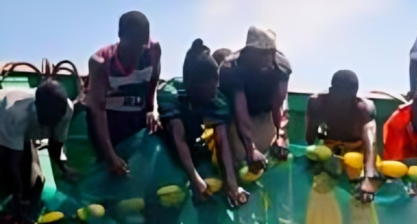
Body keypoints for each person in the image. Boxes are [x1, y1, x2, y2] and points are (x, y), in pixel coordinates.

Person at [158, 39, 248, 208]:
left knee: (212, 188)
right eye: (209, 85)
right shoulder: (171, 93)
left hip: (197, 149)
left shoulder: (217, 100)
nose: (215, 89)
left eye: (216, 82)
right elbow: (179, 138)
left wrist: (231, 181)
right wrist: (194, 178)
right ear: (192, 84)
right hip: (166, 154)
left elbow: (222, 141)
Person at [86, 11, 162, 175]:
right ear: (120, 36)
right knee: (111, 172)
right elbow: (98, 111)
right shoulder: (100, 62)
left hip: (137, 119)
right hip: (110, 123)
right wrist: (109, 154)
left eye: (143, 44)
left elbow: (154, 82)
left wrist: (152, 109)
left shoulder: (153, 50)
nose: (139, 51)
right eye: (134, 44)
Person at [0, 80, 74, 224]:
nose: (52, 123)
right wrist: (18, 197)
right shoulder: (14, 112)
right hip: (3, 128)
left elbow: (57, 142)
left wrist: (64, 168)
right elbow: (12, 162)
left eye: (56, 119)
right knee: (8, 180)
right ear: (37, 106)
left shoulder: (66, 109)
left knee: (34, 183)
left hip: (23, 131)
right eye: (48, 118)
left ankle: (23, 208)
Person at [218, 26, 291, 171]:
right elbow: (240, 109)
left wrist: (280, 135)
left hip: (266, 114)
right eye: (263, 54)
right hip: (236, 117)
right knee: (242, 160)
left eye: (271, 53)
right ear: (250, 52)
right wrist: (250, 148)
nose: (269, 58)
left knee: (276, 159)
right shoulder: (231, 68)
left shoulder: (281, 66)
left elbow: (279, 104)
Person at [306, 70, 379, 202]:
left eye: (350, 97)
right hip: (330, 148)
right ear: (331, 90)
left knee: (354, 167)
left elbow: (371, 145)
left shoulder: (365, 109)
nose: (345, 102)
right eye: (341, 97)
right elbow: (310, 138)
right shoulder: (316, 103)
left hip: (357, 152)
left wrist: (369, 176)